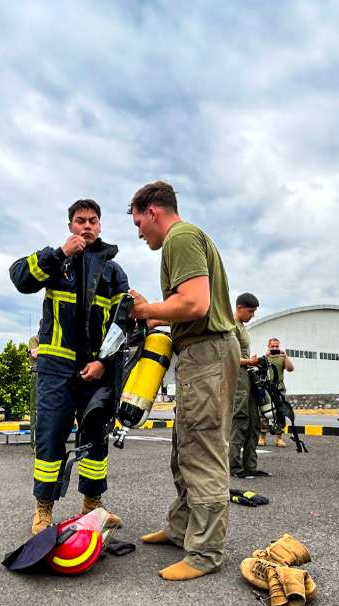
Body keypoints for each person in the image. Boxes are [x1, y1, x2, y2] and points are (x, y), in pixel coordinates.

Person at [128, 180, 238, 582]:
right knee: (185, 446)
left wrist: (145, 310)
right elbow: (185, 308)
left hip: (207, 353)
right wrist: (157, 314)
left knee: (202, 449)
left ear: (153, 211)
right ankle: (181, 529)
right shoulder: (183, 239)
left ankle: (205, 552)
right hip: (199, 354)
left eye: (139, 223)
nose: (139, 233)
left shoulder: (181, 237)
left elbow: (196, 303)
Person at [9, 199, 129, 535]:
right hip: (55, 370)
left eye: (93, 221)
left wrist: (104, 363)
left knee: (95, 438)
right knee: (50, 439)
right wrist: (60, 252)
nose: (87, 226)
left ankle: (93, 504)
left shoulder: (114, 272)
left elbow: (122, 324)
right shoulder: (55, 261)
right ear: (70, 226)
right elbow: (19, 278)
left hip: (95, 372)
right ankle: (43, 509)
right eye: (80, 221)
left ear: (101, 225)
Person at [230, 293, 264, 478]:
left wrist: (253, 362)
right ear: (240, 307)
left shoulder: (243, 328)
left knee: (254, 421)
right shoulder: (231, 326)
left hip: (248, 377)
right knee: (240, 420)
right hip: (238, 379)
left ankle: (250, 467)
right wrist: (248, 362)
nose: (252, 315)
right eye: (250, 311)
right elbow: (229, 357)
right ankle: (234, 468)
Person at [259, 338, 295, 449]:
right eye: (272, 346)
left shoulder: (281, 358)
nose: (275, 348)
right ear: (268, 346)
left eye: (276, 346)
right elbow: (259, 369)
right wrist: (265, 356)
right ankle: (262, 437)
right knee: (263, 414)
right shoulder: (264, 358)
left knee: (280, 413)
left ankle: (279, 438)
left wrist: (286, 357)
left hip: (279, 389)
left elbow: (290, 369)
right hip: (266, 389)